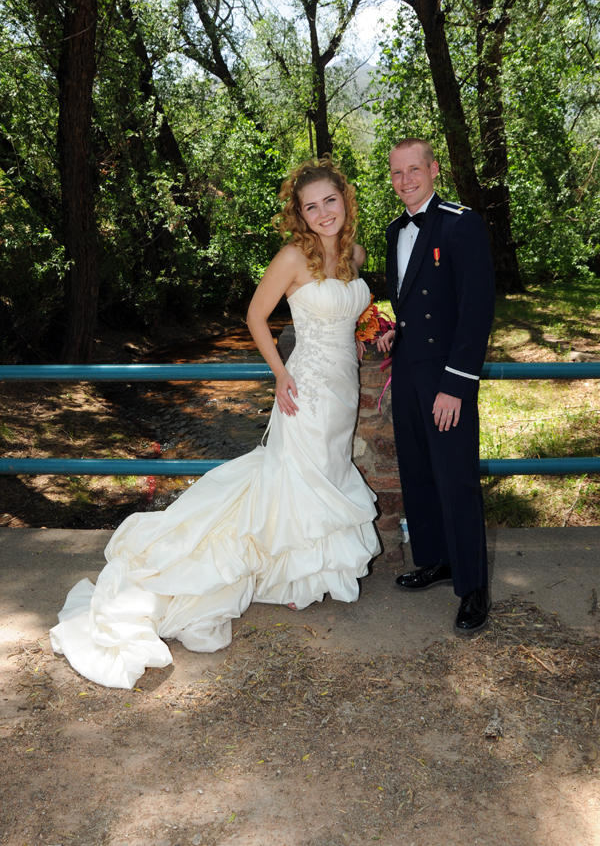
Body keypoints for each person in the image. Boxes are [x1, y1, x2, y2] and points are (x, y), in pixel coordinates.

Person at [50, 157, 379, 689]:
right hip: (306, 387)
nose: (322, 213)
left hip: (344, 390)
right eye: (310, 206)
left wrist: (374, 331)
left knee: (326, 473)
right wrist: (279, 375)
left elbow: (351, 313)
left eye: (330, 201)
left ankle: (304, 575)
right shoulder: (294, 256)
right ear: (299, 214)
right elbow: (255, 315)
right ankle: (281, 575)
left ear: (346, 199)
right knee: (298, 477)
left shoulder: (356, 255)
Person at [377, 138, 495, 634]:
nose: (405, 181)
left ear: (433, 169)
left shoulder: (460, 222)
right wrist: (392, 331)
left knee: (456, 479)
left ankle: (473, 588)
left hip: (446, 376)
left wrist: (455, 385)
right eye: (396, 173)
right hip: (407, 369)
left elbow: (475, 310)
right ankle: (435, 560)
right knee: (419, 473)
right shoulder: (392, 231)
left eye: (413, 170)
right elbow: (411, 304)